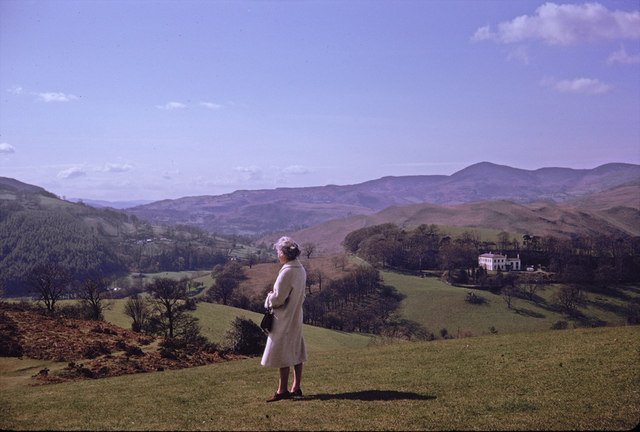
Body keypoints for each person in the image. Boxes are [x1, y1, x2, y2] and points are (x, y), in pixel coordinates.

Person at [261, 236, 308, 402]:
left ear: (285, 254)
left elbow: (279, 299)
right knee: (296, 349)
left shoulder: (287, 271)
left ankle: (282, 390)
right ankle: (296, 386)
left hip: (284, 316)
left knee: (283, 351)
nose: (278, 255)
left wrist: (269, 298)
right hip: (296, 314)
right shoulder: (300, 269)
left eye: (279, 252)